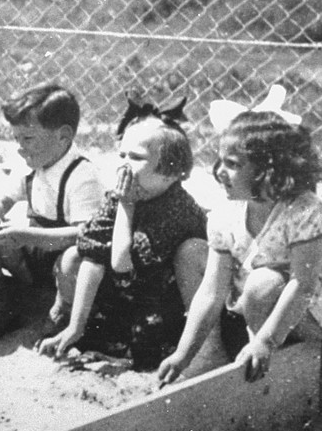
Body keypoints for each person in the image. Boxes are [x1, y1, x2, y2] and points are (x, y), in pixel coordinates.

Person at [157, 107, 322, 385]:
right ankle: (211, 355)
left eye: (232, 164)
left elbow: (302, 285)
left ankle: (267, 368)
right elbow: (211, 291)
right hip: (262, 292)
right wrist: (183, 354)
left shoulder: (304, 212)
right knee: (193, 253)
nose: (219, 172)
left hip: (317, 303)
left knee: (262, 284)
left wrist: (265, 341)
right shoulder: (225, 215)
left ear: (268, 171)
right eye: (219, 162)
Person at [37, 101, 209, 370]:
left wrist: (126, 207)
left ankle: (134, 358)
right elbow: (93, 254)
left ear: (172, 172)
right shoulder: (121, 197)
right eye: (122, 156)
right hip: (129, 294)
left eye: (137, 158)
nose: (125, 166)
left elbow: (121, 262)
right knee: (74, 257)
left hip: (160, 299)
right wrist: (75, 326)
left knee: (147, 331)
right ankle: (79, 329)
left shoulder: (177, 208)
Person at [0, 82, 104, 342]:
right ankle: (1, 306)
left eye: (28, 139)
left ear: (63, 136)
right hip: (31, 258)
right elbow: (2, 198)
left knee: (74, 258)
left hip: (62, 263)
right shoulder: (29, 163)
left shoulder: (83, 175)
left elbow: (87, 235)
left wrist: (26, 235)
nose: (20, 147)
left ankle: (63, 312)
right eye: (16, 139)